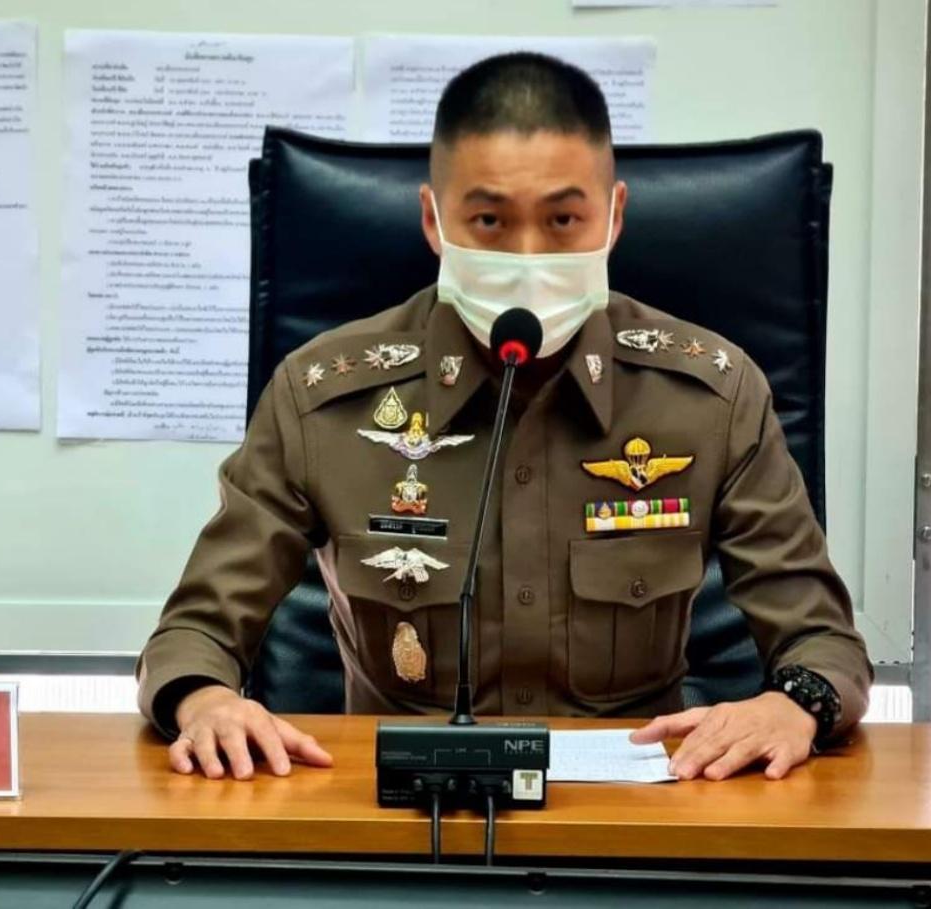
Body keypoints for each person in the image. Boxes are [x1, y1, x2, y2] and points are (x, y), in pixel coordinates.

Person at [136, 52, 872, 783]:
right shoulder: (322, 400)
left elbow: (821, 639)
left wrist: (794, 704)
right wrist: (206, 701)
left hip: (635, 816)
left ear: (614, 217)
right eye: (488, 220)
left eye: (563, 219)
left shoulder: (712, 397)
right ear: (433, 220)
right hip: (398, 814)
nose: (527, 255)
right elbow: (196, 630)